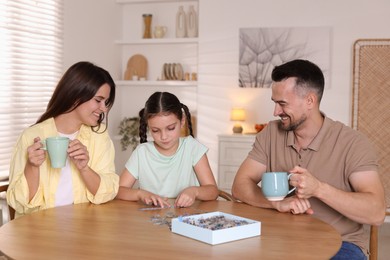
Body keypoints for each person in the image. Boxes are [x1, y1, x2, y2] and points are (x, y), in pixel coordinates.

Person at [231, 59, 386, 259]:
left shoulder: (352, 143)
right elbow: (240, 185)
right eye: (275, 103)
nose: (276, 112)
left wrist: (319, 189)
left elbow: (376, 212)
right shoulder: (270, 134)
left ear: (310, 101)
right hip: (280, 238)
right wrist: (277, 204)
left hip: (341, 244)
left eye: (282, 103)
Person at [7, 61, 119, 218]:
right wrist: (32, 167)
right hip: (38, 232)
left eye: (106, 102)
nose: (104, 109)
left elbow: (108, 192)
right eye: (98, 100)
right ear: (76, 95)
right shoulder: (31, 136)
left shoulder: (99, 136)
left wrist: (84, 168)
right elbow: (20, 204)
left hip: (84, 229)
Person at [116, 91, 218, 208]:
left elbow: (213, 190)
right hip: (149, 221)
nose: (164, 137)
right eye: (155, 130)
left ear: (182, 121)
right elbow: (118, 190)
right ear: (148, 126)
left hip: (186, 217)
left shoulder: (192, 148)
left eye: (170, 128)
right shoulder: (141, 152)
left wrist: (195, 191)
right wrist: (140, 194)